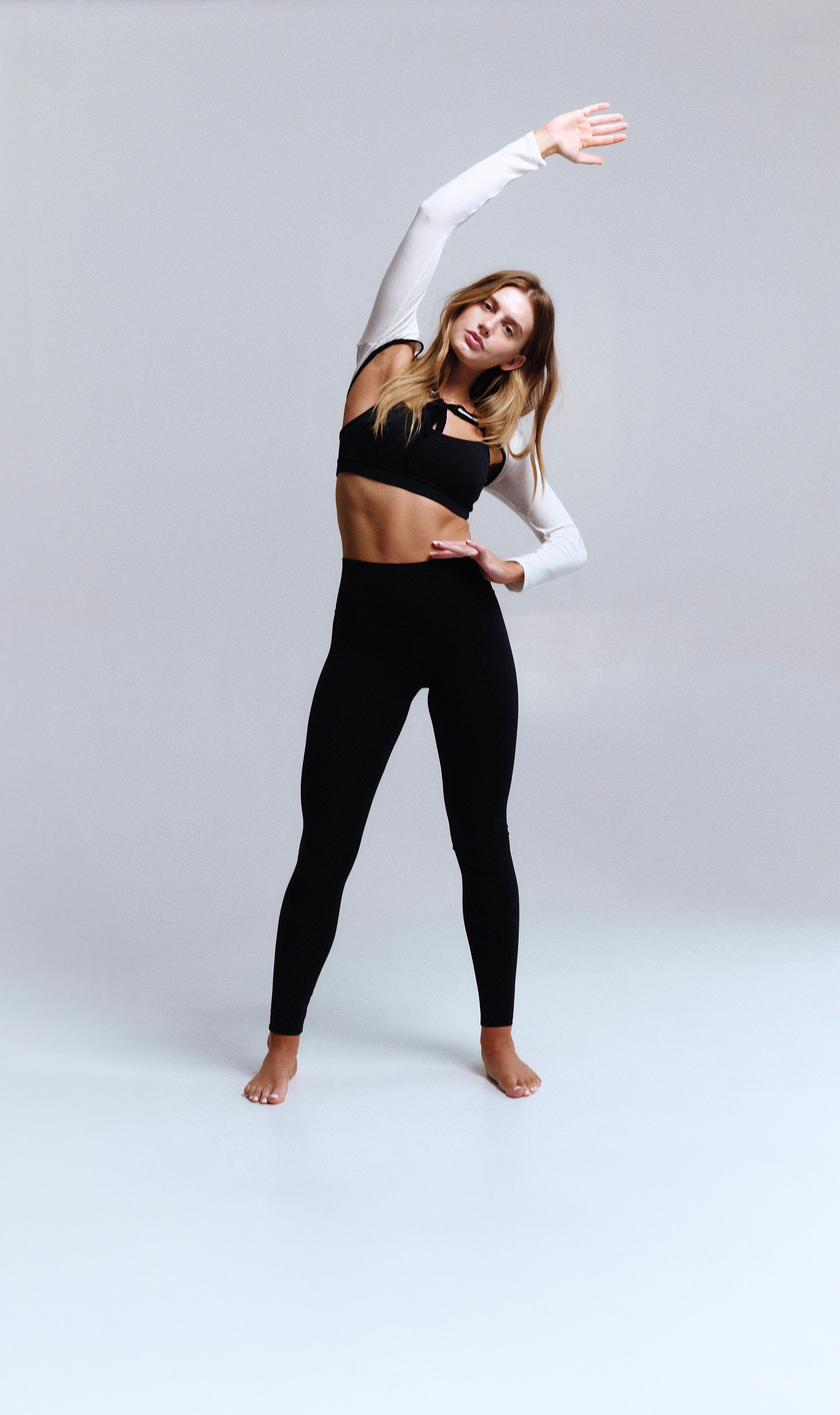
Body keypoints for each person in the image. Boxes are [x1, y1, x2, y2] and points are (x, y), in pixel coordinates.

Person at [243, 104, 627, 1105]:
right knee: (326, 840)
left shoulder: (495, 445)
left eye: (510, 327)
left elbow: (571, 540)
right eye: (488, 305)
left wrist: (517, 571)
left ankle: (497, 1034)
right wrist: (537, 147)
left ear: (513, 359)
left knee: (480, 838)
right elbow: (429, 217)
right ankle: (284, 1042)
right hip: (366, 635)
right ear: (464, 307)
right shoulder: (384, 361)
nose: (489, 323)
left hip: (460, 637)